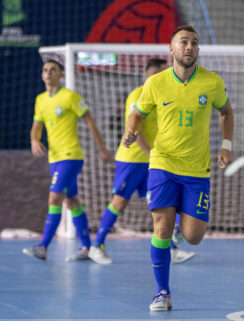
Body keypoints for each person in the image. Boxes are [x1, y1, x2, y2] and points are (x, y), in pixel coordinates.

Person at [121, 25, 234, 311]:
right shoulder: (156, 83)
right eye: (183, 42)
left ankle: (181, 229)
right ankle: (162, 292)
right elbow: (137, 115)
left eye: (194, 43)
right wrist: (130, 132)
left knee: (194, 236)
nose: (190, 47)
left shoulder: (212, 83)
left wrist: (226, 144)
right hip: (162, 164)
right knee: (161, 226)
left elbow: (226, 111)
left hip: (197, 170)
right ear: (171, 49)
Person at [88, 58, 196, 265]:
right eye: (157, 73)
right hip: (132, 160)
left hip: (152, 161)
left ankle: (171, 248)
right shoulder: (138, 95)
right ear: (147, 76)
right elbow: (134, 130)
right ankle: (96, 246)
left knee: (163, 203)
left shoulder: (166, 96)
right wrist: (151, 153)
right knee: (119, 202)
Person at [23, 59, 111, 261]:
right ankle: (87, 248)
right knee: (72, 201)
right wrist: (34, 141)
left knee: (54, 199)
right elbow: (37, 126)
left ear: (61, 74)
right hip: (54, 158)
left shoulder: (70, 97)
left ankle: (43, 246)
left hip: (70, 156)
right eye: (45, 70)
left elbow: (89, 120)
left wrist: (102, 148)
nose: (48, 73)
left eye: (53, 70)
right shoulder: (41, 100)